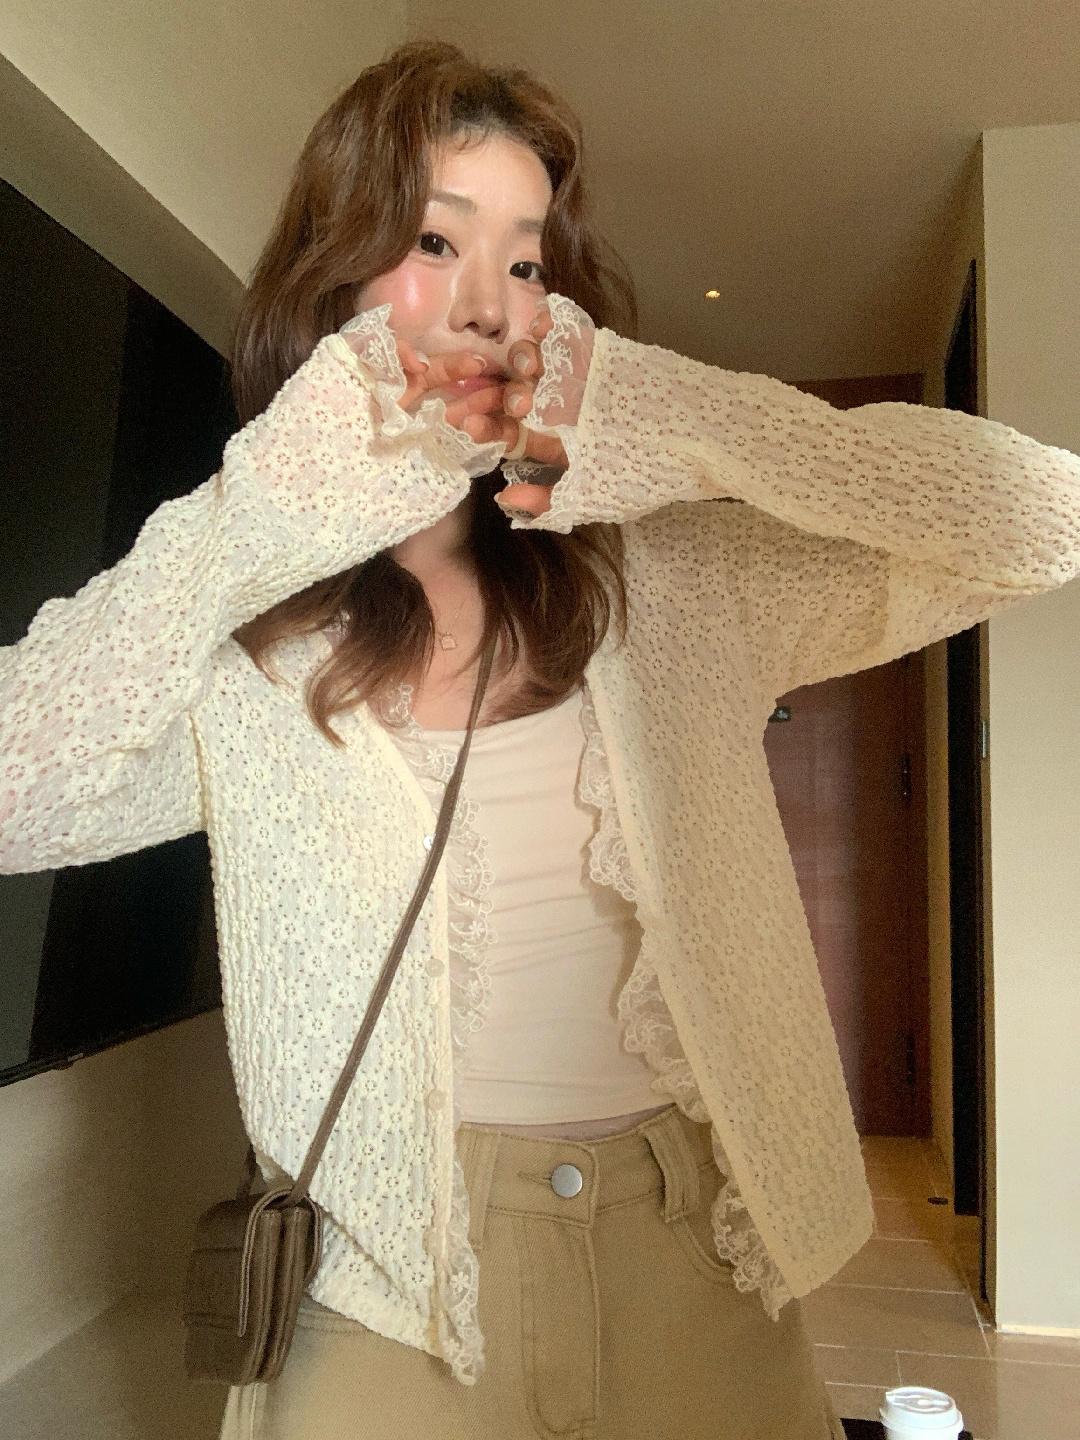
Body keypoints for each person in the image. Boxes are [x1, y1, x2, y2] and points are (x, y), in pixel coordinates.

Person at [2, 36, 1079, 1440]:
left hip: (694, 1249)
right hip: (389, 1279)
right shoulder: (254, 654)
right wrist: (257, 515)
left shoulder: (662, 582)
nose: (486, 305)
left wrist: (676, 416)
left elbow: (1040, 522)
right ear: (332, 285)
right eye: (433, 242)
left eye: (525, 261)